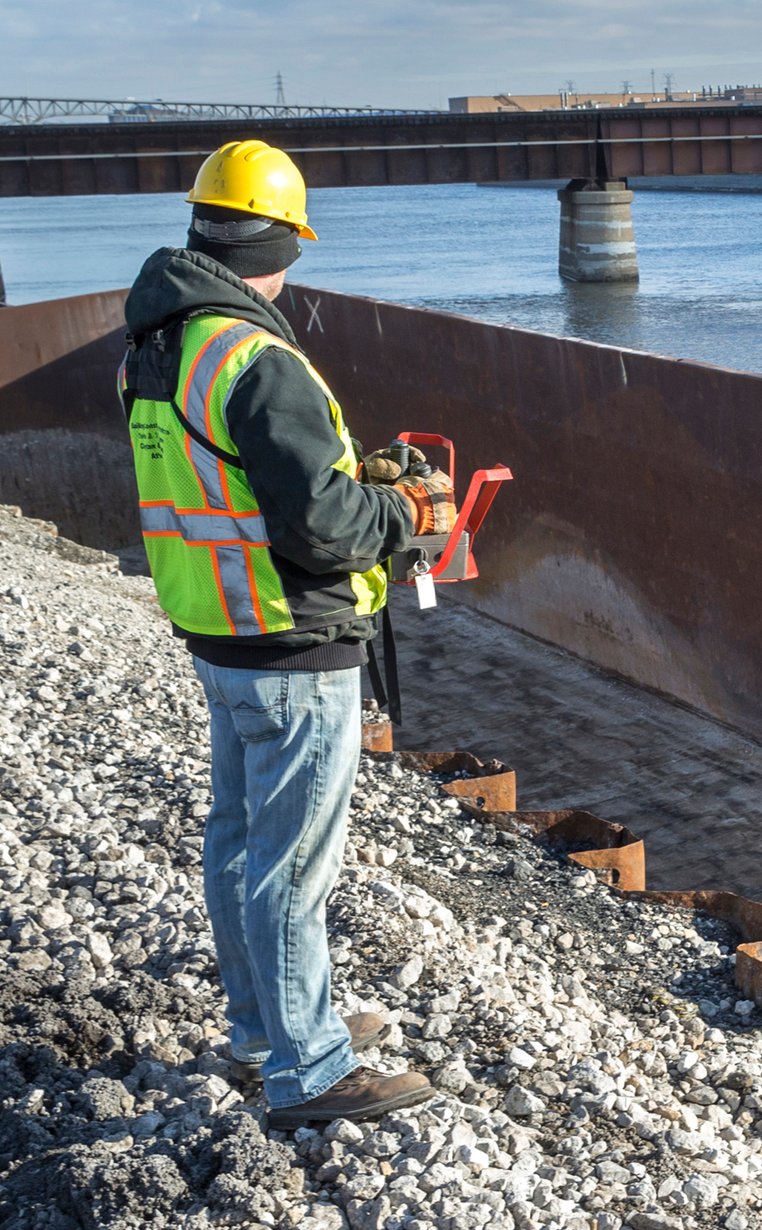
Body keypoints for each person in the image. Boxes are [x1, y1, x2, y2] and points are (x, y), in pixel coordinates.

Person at [119, 140, 454, 1128]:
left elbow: (233, 487)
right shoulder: (257, 357)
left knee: (238, 844)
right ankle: (310, 1065)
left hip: (218, 632)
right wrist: (406, 514)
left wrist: (362, 484)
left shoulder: (158, 348)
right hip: (292, 642)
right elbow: (322, 526)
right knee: (291, 863)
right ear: (284, 242)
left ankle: (264, 1030)